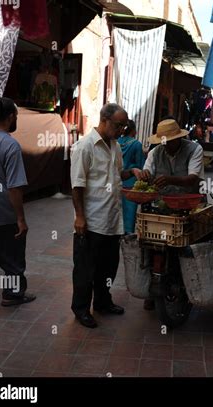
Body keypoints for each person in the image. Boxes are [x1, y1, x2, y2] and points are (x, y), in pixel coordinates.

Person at [70, 103, 143, 328]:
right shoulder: (84, 147)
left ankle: (103, 301)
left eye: (124, 126)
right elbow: (77, 185)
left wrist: (131, 171)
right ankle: (81, 308)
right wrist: (80, 217)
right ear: (104, 119)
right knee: (85, 269)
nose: (122, 130)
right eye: (119, 125)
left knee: (108, 267)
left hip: (112, 219)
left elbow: (115, 174)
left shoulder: (115, 146)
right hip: (92, 220)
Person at [137, 119, 205, 310]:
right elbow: (147, 172)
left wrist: (170, 179)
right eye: (163, 142)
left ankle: (191, 284)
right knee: (150, 243)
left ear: (178, 138)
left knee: (189, 246)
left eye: (170, 141)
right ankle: (152, 286)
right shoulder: (154, 152)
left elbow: (193, 178)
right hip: (163, 206)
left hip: (189, 204)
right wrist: (144, 176)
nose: (166, 145)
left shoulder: (194, 149)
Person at [0, 98, 36, 307]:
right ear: (11, 116)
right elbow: (14, 187)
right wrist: (20, 219)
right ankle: (12, 295)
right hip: (0, 211)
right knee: (12, 257)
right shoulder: (9, 144)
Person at [118, 120, 145, 234]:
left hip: (118, 182)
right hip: (132, 185)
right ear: (134, 131)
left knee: (118, 214)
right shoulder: (136, 144)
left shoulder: (116, 142)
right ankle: (127, 238)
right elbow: (141, 166)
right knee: (129, 216)